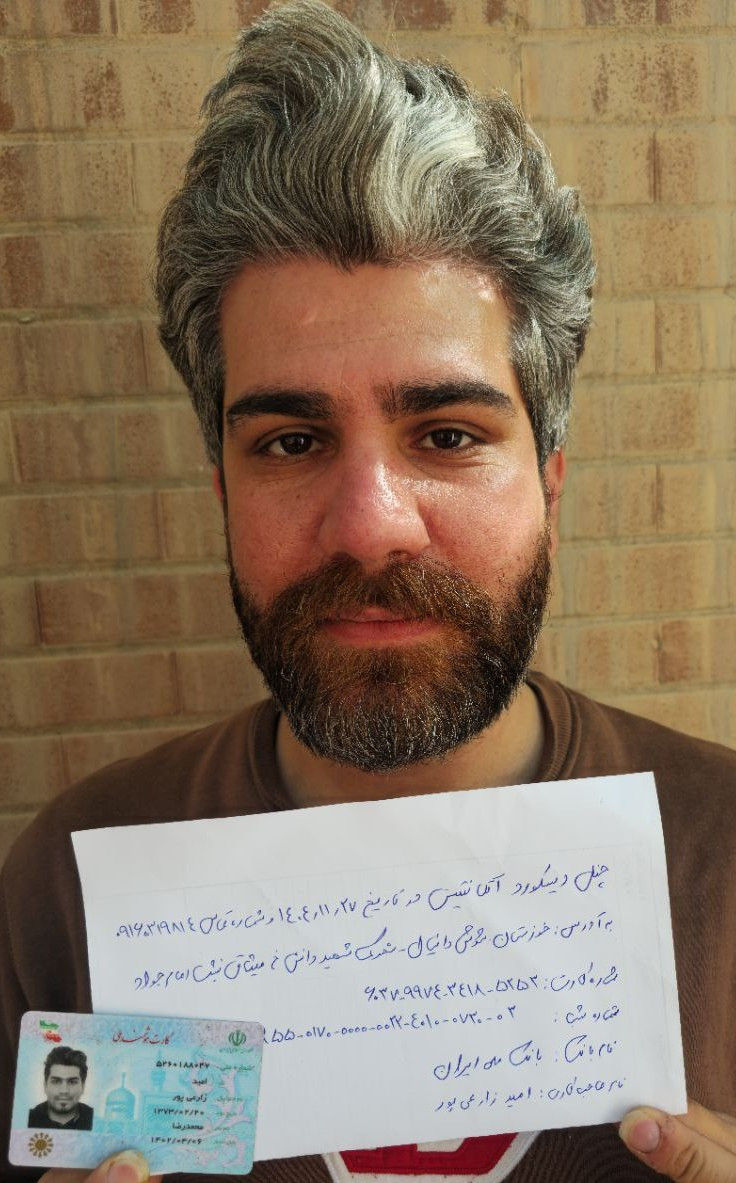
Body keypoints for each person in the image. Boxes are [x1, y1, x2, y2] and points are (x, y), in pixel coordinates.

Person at [1, 3, 735, 1181]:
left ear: (548, 480)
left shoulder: (726, 861)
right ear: (221, 486)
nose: (369, 524)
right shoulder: (64, 890)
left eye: (446, 434)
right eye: (291, 443)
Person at [27, 1046, 94, 1131]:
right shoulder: (26, 1120)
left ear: (83, 1086)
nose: (64, 1091)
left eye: (72, 1082)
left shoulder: (97, 1121)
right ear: (45, 1085)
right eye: (56, 1081)